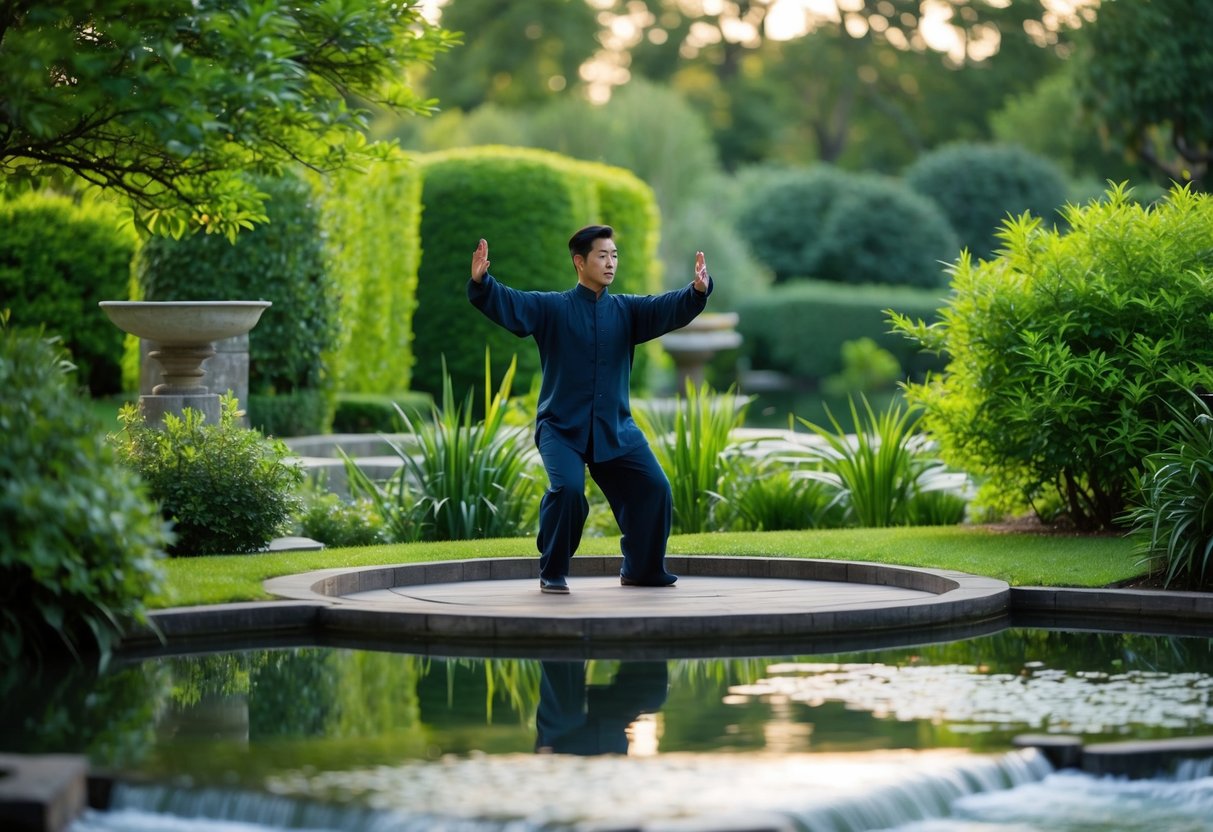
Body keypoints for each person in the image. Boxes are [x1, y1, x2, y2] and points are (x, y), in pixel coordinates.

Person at [468, 225, 712, 594]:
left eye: (614, 255)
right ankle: (552, 570)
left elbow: (666, 308)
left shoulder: (627, 310)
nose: (611, 262)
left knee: (655, 488)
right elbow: (513, 303)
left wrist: (696, 291)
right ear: (579, 262)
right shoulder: (552, 308)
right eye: (602, 255)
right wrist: (484, 282)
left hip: (615, 428)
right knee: (567, 492)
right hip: (561, 429)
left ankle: (642, 570)